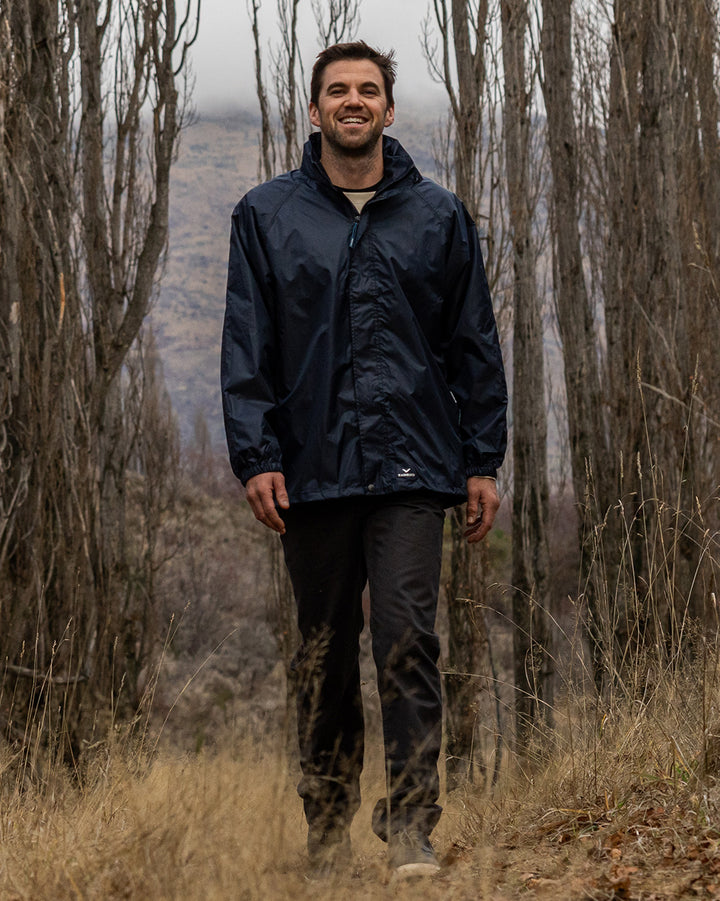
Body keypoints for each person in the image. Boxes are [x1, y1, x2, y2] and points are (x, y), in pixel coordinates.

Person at [221, 41, 507, 878]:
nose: (353, 101)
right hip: (309, 471)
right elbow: (248, 346)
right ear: (313, 112)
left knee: (409, 637)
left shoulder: (439, 216)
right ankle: (327, 826)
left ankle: (413, 822)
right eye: (337, 90)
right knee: (324, 652)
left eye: (368, 90)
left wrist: (482, 459)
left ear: (388, 109)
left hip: (416, 466)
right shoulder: (264, 216)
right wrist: (254, 454)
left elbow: (474, 347)